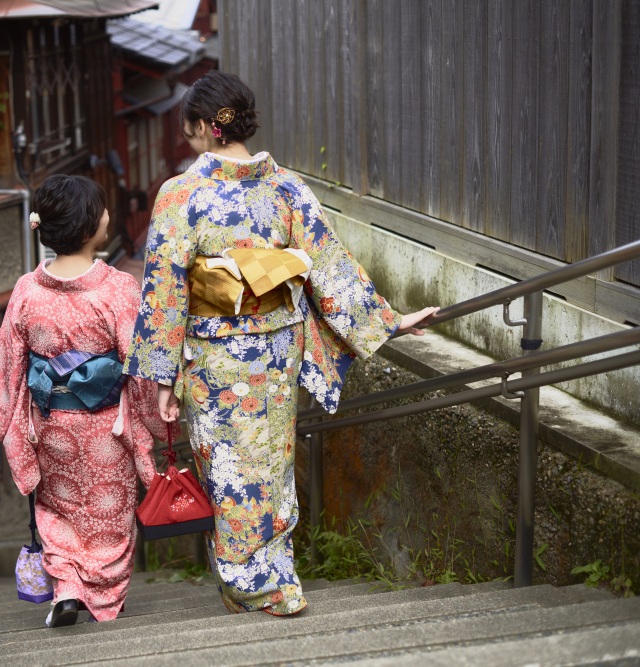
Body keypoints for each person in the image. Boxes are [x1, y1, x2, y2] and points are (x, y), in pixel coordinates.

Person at [124, 71, 438, 616]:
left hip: (215, 356)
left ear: (204, 126)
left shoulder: (181, 196)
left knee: (231, 466)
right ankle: (263, 577)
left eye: (190, 126)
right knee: (269, 462)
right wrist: (389, 319)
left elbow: (164, 293)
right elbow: (331, 266)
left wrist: (161, 376)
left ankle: (257, 584)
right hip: (274, 351)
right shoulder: (288, 188)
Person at [0, 175, 166, 627]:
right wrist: (155, 420)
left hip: (51, 426)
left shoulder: (26, 289)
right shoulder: (118, 288)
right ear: (89, 228)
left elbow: (7, 359)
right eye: (102, 210)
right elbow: (139, 365)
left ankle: (65, 591)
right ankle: (103, 599)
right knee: (109, 511)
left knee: (58, 509)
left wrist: (0, 419)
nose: (108, 215)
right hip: (106, 427)